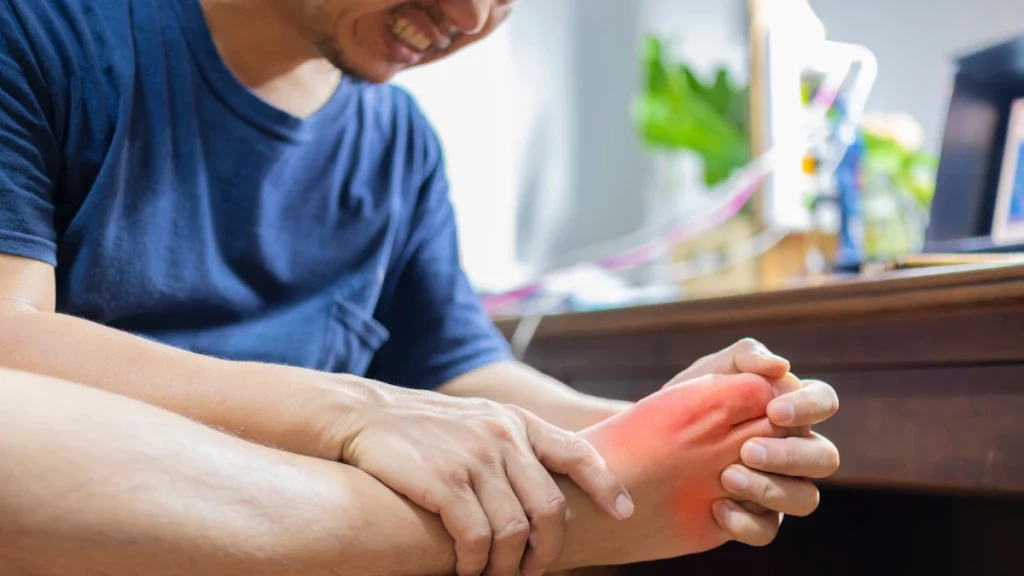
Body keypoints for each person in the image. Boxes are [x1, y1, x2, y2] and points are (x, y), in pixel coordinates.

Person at [0, 0, 840, 574]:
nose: (472, 19)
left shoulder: (397, 141)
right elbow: (10, 336)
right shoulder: (44, 31)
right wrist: (351, 413)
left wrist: (648, 429)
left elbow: (459, 370)